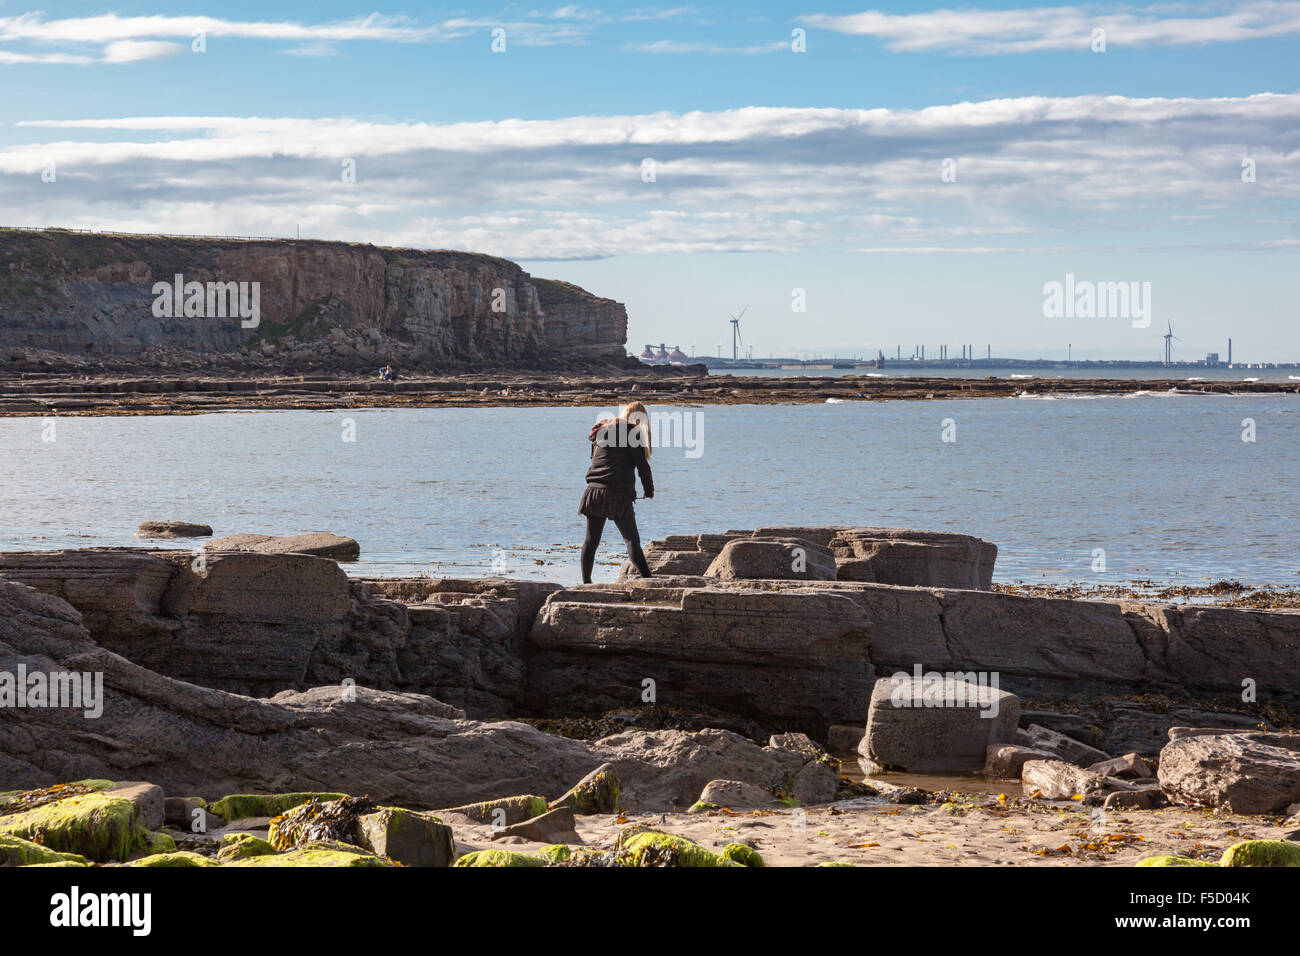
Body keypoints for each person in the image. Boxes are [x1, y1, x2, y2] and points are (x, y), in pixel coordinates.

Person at [578, 401, 655, 583]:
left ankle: (586, 583)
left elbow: (596, 458)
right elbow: (642, 464)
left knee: (591, 541)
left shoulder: (602, 429)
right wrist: (649, 489)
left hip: (594, 491)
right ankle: (649, 581)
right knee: (631, 540)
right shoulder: (631, 432)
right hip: (618, 495)